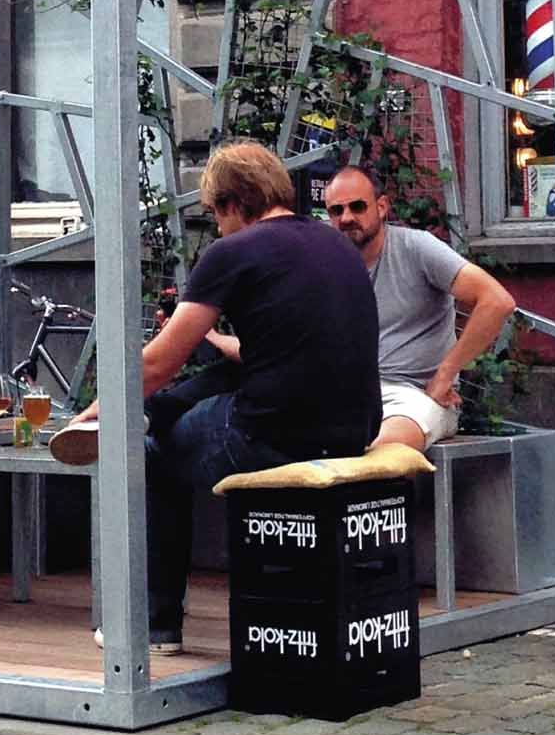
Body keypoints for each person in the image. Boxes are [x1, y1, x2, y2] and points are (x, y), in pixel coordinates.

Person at [61, 140, 381, 652]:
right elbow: (285, 349)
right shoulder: (337, 244)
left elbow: (158, 362)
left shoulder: (232, 252)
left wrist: (97, 410)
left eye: (214, 213)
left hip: (275, 436)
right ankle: (150, 412)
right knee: (226, 374)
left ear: (233, 203)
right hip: (354, 427)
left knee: (152, 455)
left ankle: (154, 626)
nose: (216, 225)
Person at [320, 165, 518, 452]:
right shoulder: (327, 262)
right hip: (347, 396)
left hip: (412, 397)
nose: (347, 217)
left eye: (357, 206)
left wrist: (445, 375)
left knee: (382, 448)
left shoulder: (416, 247)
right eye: (336, 211)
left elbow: (496, 301)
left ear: (382, 207)